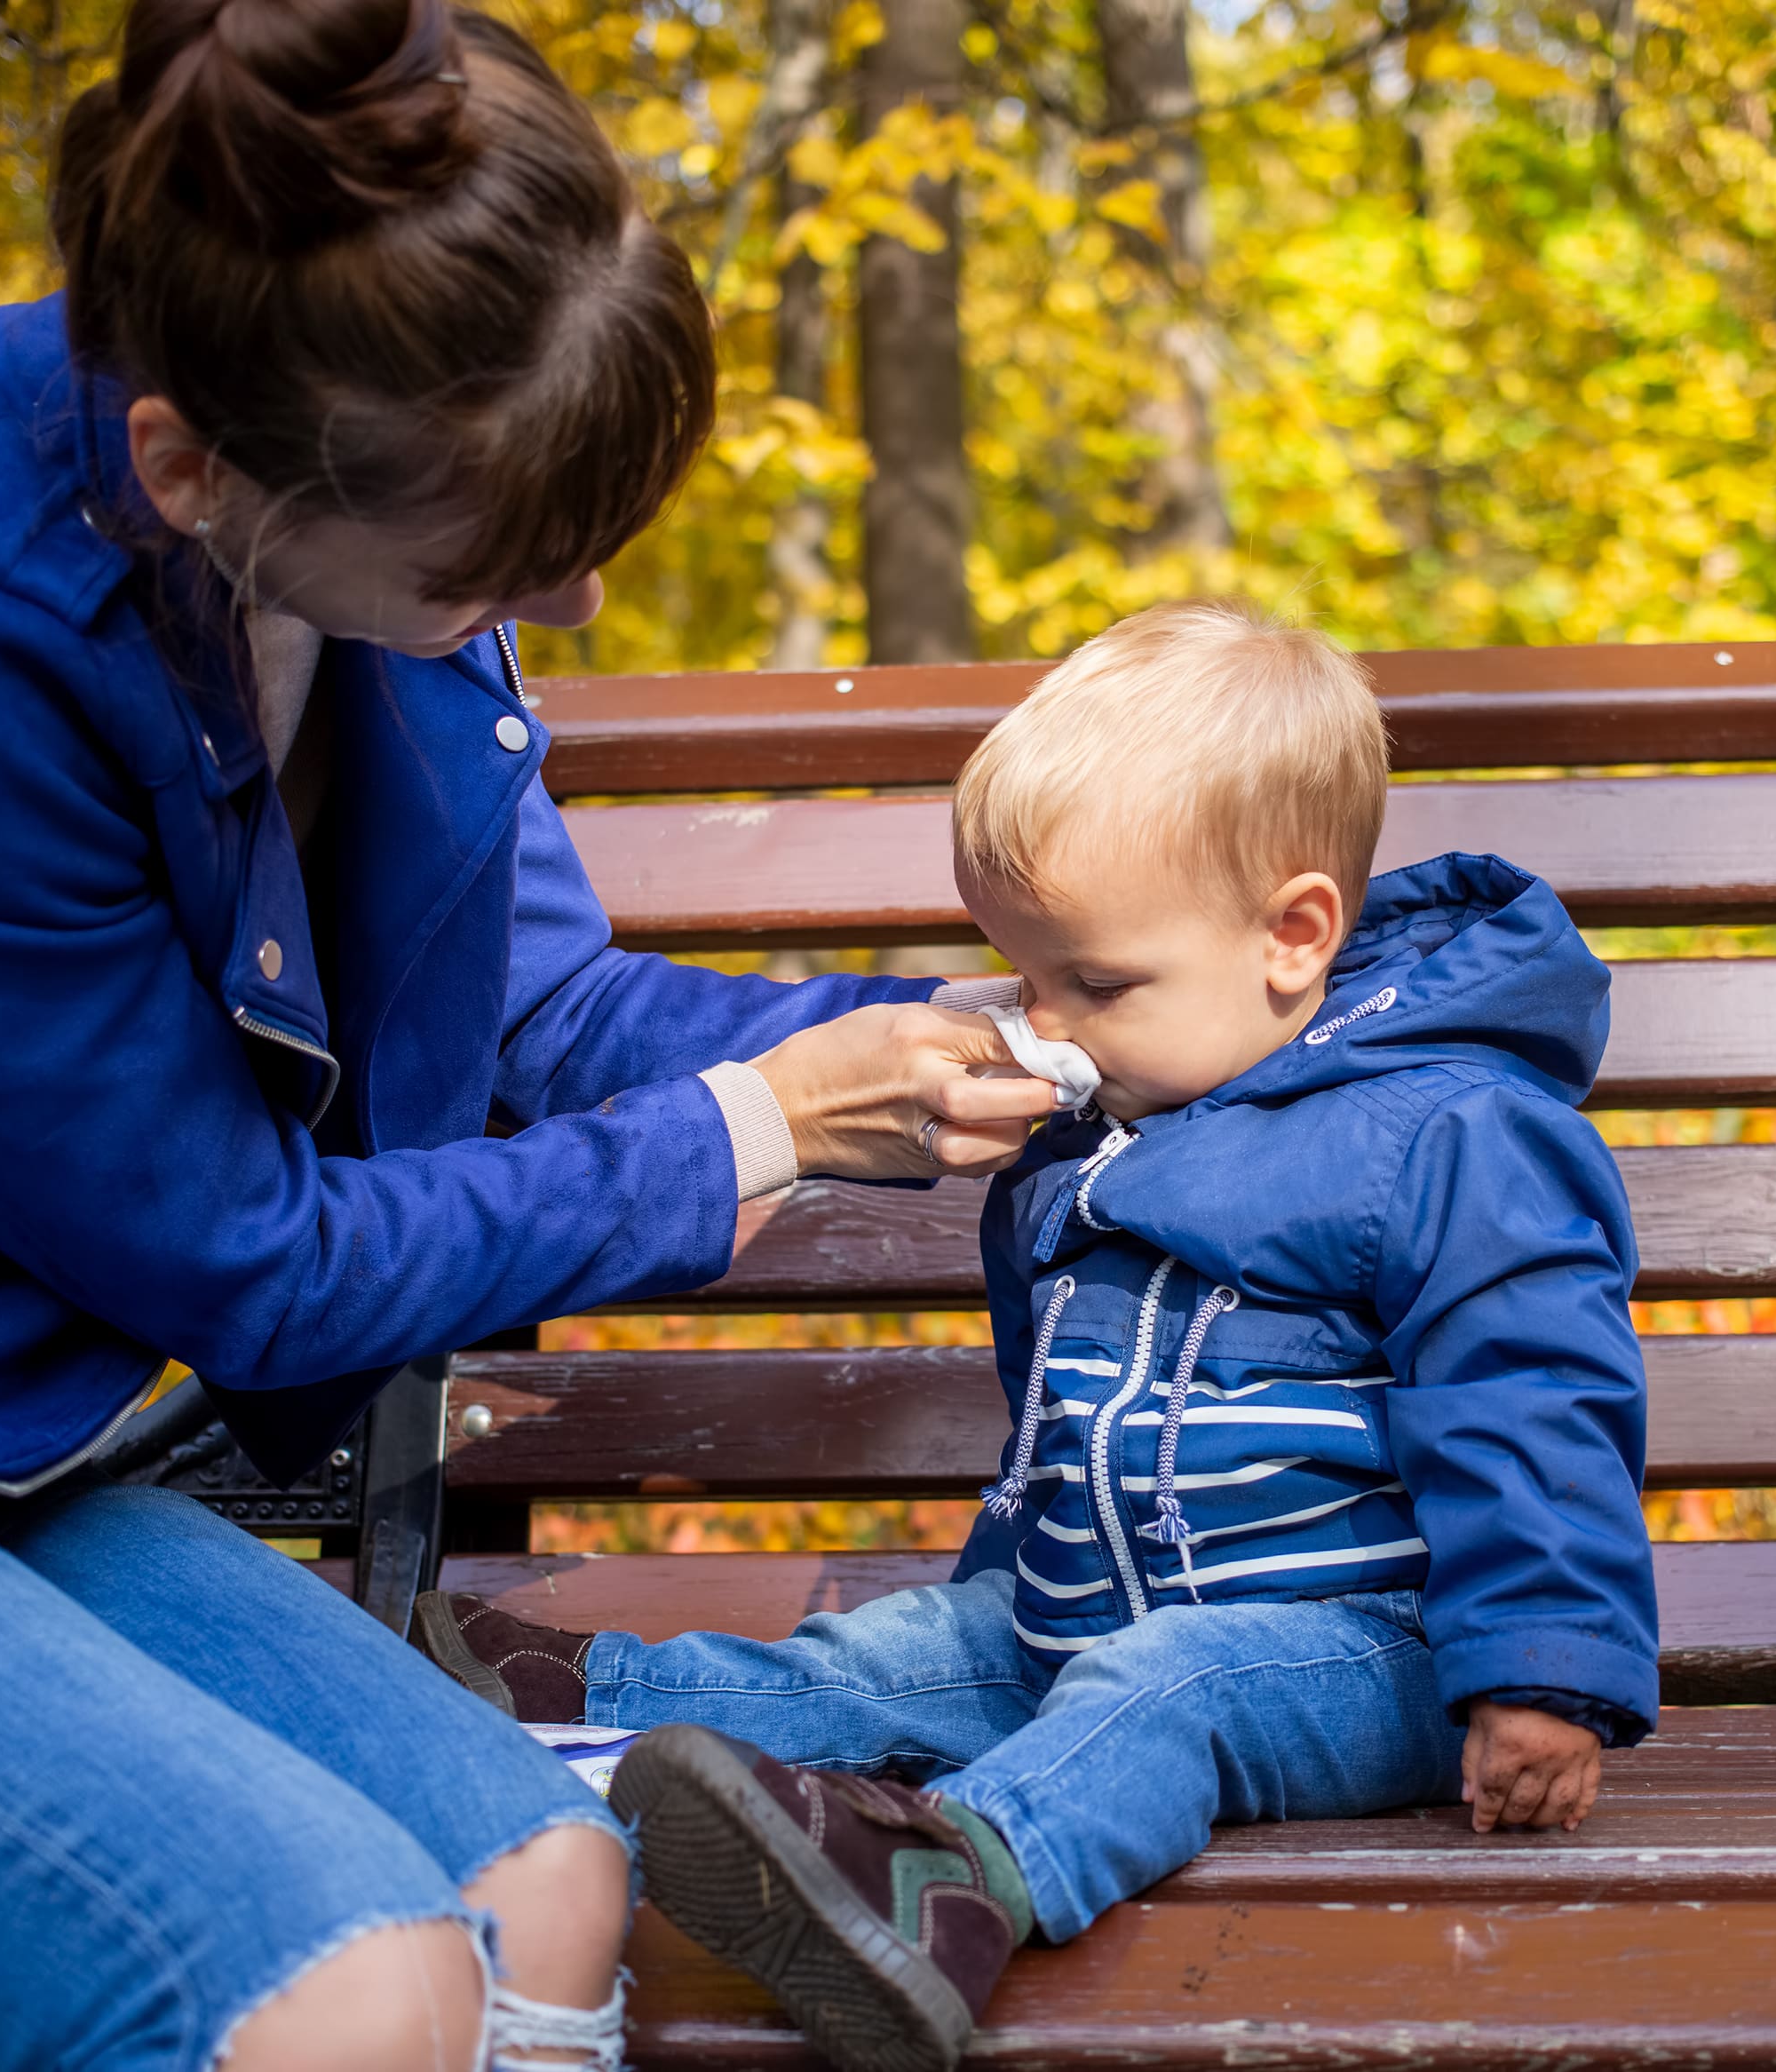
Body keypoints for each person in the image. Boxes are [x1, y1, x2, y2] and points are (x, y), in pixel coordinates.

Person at [0, 2, 1054, 2067]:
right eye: (498, 564)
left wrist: (929, 1042)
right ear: (183, 465)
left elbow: (546, 1010)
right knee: (351, 1990)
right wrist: (752, 1134)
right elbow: (239, 1256)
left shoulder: (338, 465)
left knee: (548, 1887)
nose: (561, 607)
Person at [413, 600, 1662, 2072]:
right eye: (1024, 976)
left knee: (1168, 1689)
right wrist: (1013, 1576)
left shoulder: (1451, 1130)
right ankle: (562, 1701)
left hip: (1370, 1650)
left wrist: (1540, 1670)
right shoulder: (1112, 1115)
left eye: (1095, 984)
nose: (1045, 1028)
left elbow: (1535, 1396)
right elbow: (1070, 1416)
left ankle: (949, 1883)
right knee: (896, 1654)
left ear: (1294, 933)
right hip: (1085, 1616)